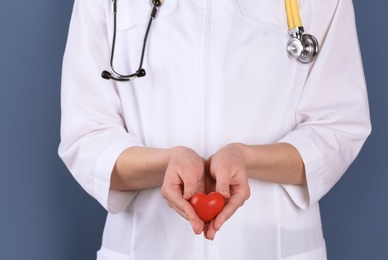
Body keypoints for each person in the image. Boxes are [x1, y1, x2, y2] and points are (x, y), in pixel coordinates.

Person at [59, 0, 371, 259]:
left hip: (273, 247)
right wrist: (167, 164)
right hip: (146, 245)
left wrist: (245, 160)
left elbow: (338, 124)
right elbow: (86, 134)